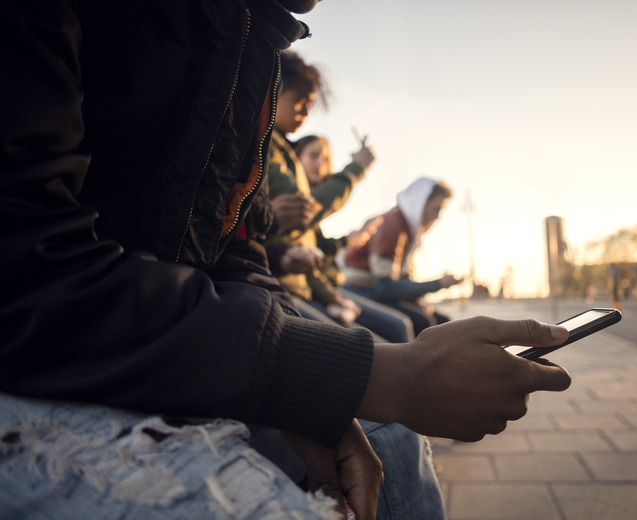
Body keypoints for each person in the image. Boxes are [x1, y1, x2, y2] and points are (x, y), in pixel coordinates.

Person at [0, 2, 573, 519]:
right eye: (301, 111)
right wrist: (378, 374)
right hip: (42, 344)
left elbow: (229, 250)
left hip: (146, 330)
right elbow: (25, 263)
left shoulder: (248, 34)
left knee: (391, 441)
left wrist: (314, 392)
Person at [256, 51, 413, 343]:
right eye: (300, 101)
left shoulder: (278, 148)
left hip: (303, 286)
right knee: (381, 344)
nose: (305, 111)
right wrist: (356, 169)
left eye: (309, 105)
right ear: (274, 91)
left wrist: (344, 245)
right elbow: (302, 212)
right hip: (281, 287)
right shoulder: (269, 148)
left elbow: (305, 247)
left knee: (398, 328)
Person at [294, 134, 416, 343]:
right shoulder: (296, 200)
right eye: (313, 156)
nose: (320, 164)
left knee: (399, 326)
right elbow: (299, 259)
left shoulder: (312, 218)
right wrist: (357, 167)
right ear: (295, 159)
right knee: (388, 337)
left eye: (325, 159)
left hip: (327, 287)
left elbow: (318, 250)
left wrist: (349, 240)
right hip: (311, 289)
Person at [342, 178, 462, 336]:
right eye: (435, 209)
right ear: (420, 203)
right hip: (357, 289)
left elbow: (400, 279)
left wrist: (416, 299)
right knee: (417, 324)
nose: (437, 217)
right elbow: (385, 287)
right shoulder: (392, 226)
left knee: (442, 321)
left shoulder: (408, 229)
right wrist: (439, 283)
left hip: (374, 288)